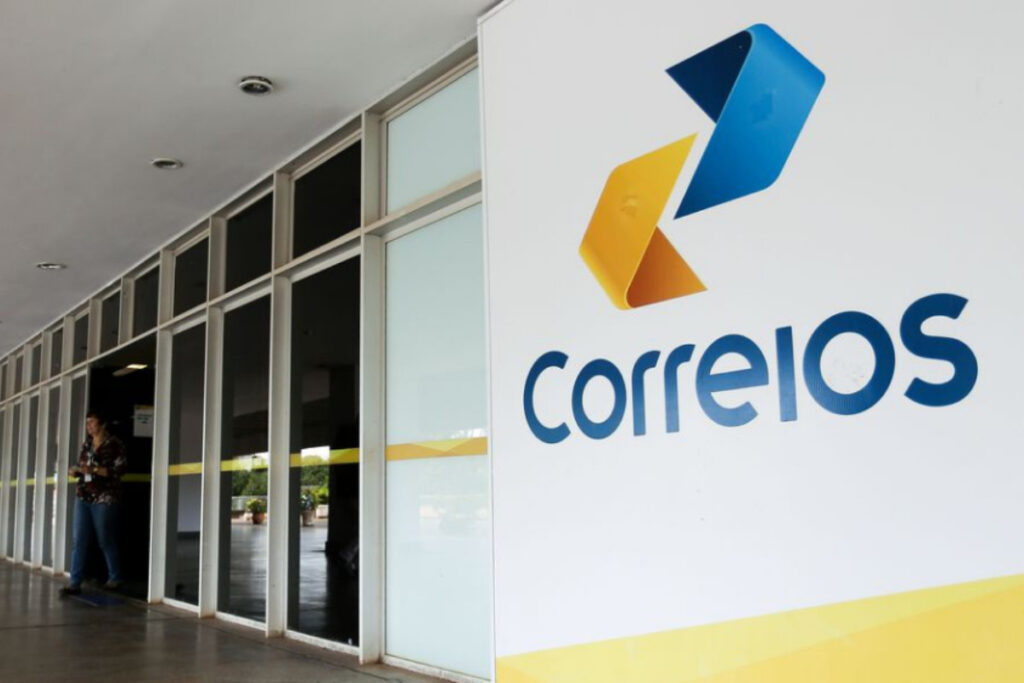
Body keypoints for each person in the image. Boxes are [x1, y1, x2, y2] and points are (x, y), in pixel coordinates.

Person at [60, 411, 128, 596]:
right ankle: (74, 583)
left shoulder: (114, 445)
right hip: (83, 496)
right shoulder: (87, 445)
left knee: (105, 539)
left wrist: (95, 470)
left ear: (102, 424)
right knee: (78, 540)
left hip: (104, 498)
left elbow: (119, 470)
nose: (88, 426)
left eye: (92, 422)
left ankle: (115, 577)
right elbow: (83, 466)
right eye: (87, 423)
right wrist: (76, 470)